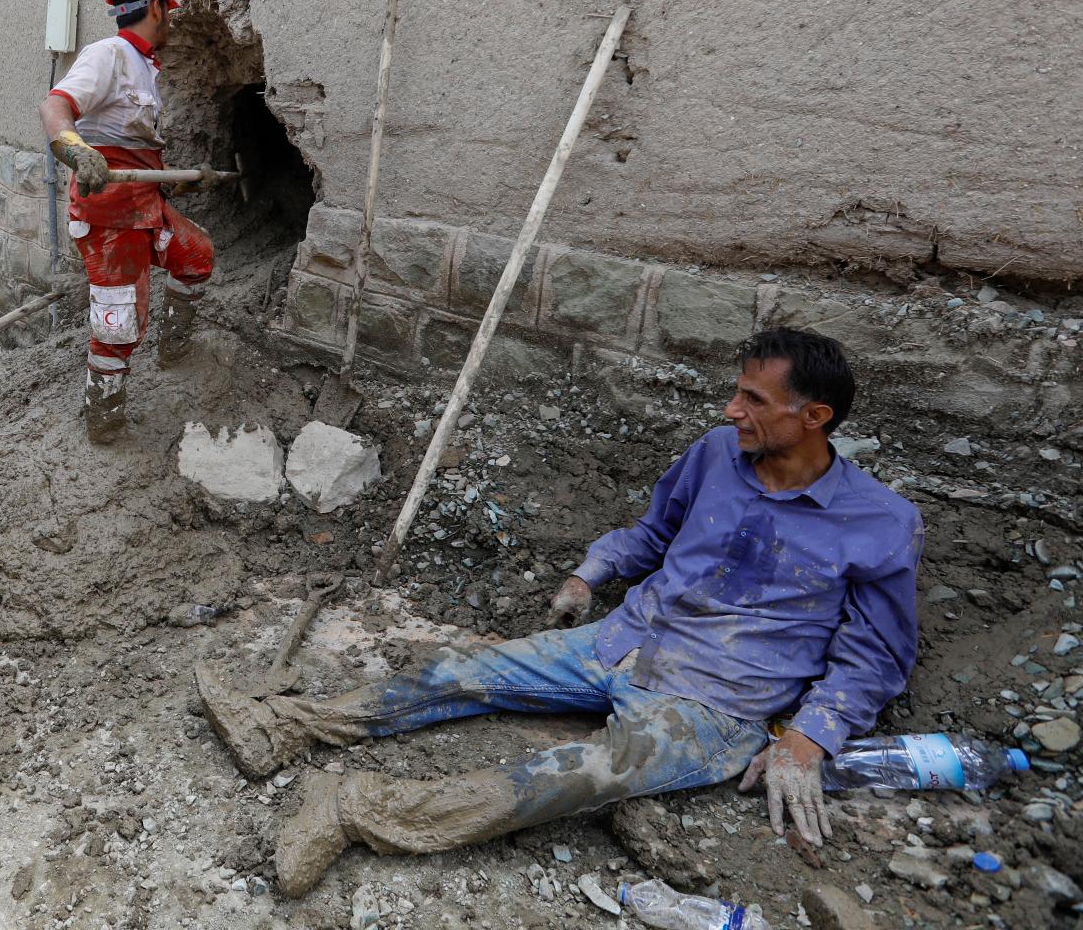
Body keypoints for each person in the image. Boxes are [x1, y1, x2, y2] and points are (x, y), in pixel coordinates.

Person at [195, 329, 923, 897]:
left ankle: (354, 812)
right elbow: (653, 535)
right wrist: (591, 572)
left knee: (569, 776)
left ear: (815, 416)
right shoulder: (715, 454)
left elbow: (877, 657)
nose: (732, 411)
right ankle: (286, 727)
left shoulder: (881, 523)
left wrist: (809, 738)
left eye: (754, 401)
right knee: (463, 670)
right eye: (736, 394)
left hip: (716, 705)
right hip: (626, 639)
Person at [37, 0, 215, 443]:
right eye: (169, 11)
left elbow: (130, 141)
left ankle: (174, 348)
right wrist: (73, 149)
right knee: (118, 330)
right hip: (109, 219)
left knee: (197, 256)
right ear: (157, 7)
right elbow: (55, 106)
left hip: (145, 206)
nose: (171, 20)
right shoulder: (109, 54)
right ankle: (105, 419)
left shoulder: (143, 66)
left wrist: (168, 179)